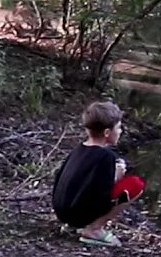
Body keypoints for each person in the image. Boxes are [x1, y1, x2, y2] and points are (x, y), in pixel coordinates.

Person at [51, 101, 146, 247]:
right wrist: (118, 177)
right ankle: (94, 229)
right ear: (107, 133)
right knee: (136, 184)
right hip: (77, 215)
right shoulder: (106, 157)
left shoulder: (78, 149)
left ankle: (75, 225)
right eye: (119, 128)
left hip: (62, 212)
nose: (121, 131)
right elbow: (102, 195)